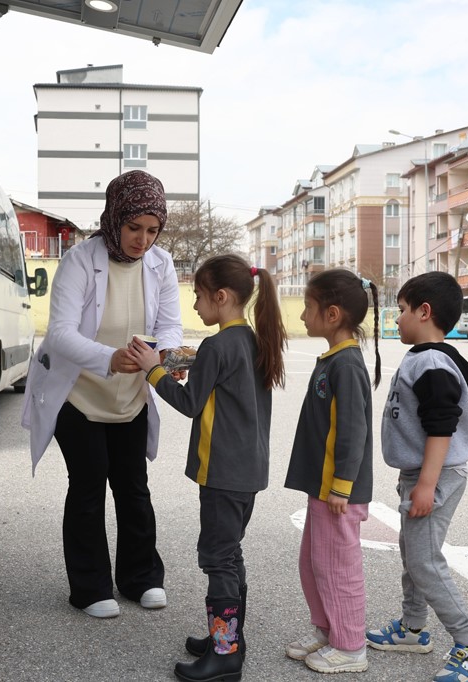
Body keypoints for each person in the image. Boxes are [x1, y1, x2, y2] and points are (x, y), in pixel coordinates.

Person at [20, 170, 182, 619]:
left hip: (130, 398)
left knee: (133, 488)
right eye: (134, 228)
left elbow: (169, 324)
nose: (143, 240)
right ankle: (91, 587)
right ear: (114, 218)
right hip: (80, 397)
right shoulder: (80, 259)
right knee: (89, 486)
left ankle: (142, 577)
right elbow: (59, 334)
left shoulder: (161, 264)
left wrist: (163, 354)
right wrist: (109, 359)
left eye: (152, 231)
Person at [127, 253, 287, 682]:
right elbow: (214, 376)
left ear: (221, 296)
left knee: (217, 558)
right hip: (247, 470)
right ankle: (230, 638)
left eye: (198, 297)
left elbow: (189, 403)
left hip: (221, 472)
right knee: (230, 553)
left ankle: (225, 654)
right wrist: (182, 362)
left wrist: (154, 370)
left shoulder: (219, 345)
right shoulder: (249, 339)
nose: (195, 306)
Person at [366, 272, 468, 682]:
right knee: (414, 552)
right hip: (422, 473)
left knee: (424, 559)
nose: (398, 318)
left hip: (434, 477)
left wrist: (426, 484)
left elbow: (442, 426)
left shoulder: (431, 361)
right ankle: (412, 627)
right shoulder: (431, 355)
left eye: (403, 310)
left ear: (424, 312)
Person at [282, 268, 380, 674]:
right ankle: (327, 631)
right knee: (315, 563)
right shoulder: (334, 358)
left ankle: (350, 646)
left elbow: (353, 431)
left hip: (338, 492)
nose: (303, 316)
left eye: (308, 308)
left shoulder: (347, 365)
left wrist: (341, 486)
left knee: (338, 568)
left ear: (333, 314)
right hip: (323, 489)